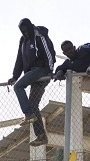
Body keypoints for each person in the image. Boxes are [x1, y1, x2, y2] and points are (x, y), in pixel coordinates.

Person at [9, 18, 56, 147]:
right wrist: (15, 76)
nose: (25, 32)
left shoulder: (39, 34)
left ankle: (28, 114)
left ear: (30, 27)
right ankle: (41, 136)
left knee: (19, 87)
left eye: (26, 29)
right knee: (33, 104)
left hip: (41, 70)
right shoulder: (23, 40)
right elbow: (20, 58)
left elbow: (48, 52)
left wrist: (50, 70)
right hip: (32, 72)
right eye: (22, 31)